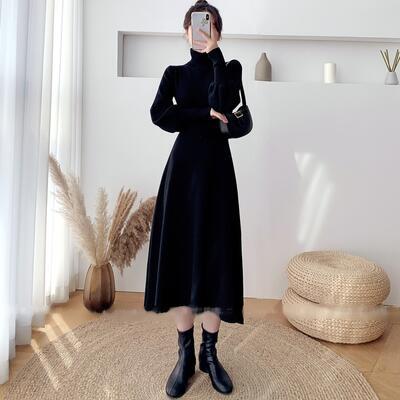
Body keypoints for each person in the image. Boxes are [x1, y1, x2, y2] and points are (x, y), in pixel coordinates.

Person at [144, 0, 245, 397]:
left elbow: (225, 105)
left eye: (210, 25)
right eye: (197, 25)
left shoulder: (230, 68)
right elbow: (159, 115)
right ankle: (185, 355)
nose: (202, 31)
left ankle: (210, 354)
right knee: (182, 259)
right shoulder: (174, 74)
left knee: (217, 258)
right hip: (183, 173)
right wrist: (202, 114)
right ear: (185, 30)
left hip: (218, 174)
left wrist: (215, 55)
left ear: (218, 30)